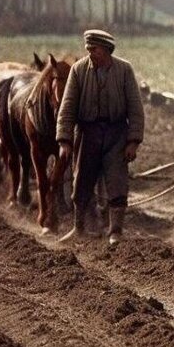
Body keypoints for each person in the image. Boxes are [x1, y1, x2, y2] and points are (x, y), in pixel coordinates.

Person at [57, 29, 146, 245]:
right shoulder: (78, 71)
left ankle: (115, 231)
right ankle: (78, 228)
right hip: (88, 134)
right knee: (81, 182)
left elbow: (135, 108)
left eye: (93, 49)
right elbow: (67, 107)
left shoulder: (124, 70)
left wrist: (133, 141)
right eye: (88, 49)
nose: (90, 53)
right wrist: (65, 141)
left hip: (116, 135)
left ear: (106, 50)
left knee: (117, 181)